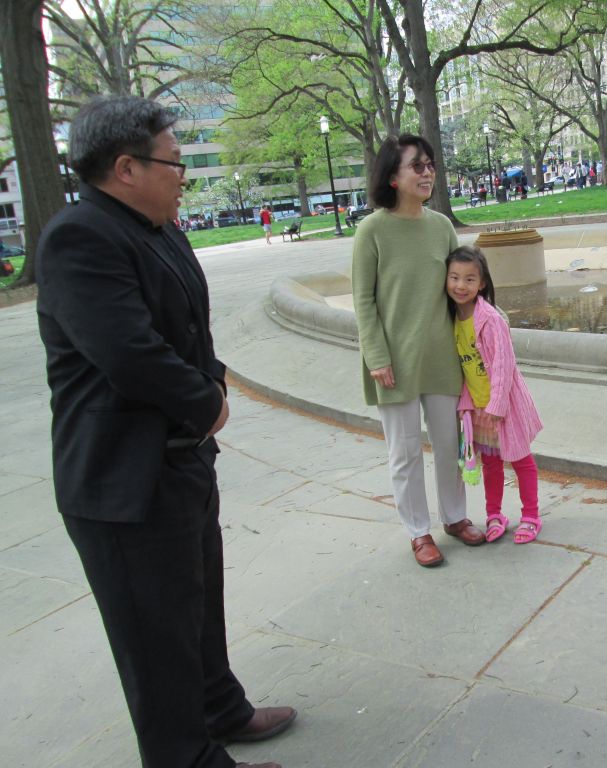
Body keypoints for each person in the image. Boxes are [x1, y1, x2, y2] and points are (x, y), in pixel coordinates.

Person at [35, 95, 295, 768]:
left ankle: (221, 708)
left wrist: (211, 380)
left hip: (180, 463)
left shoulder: (161, 228)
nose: (184, 174)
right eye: (174, 161)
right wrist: (204, 402)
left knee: (197, 606)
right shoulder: (79, 237)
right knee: (156, 638)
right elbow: (128, 353)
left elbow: (192, 326)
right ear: (126, 168)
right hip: (121, 482)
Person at [351, 134, 485, 567]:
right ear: (393, 176)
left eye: (430, 165)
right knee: (404, 452)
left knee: (450, 445)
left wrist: (479, 339)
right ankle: (417, 532)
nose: (427, 173)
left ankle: (455, 517)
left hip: (443, 357)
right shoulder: (371, 230)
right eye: (417, 166)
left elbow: (462, 288)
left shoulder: (441, 226)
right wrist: (377, 356)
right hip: (394, 362)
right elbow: (363, 300)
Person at [445, 246, 544, 544]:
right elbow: (464, 368)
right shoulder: (451, 318)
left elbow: (504, 364)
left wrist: (496, 406)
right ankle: (494, 514)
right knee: (491, 464)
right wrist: (469, 407)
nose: (461, 286)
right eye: (454, 277)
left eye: (469, 279)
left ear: (482, 283)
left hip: (504, 407)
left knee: (521, 460)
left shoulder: (490, 318)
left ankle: (531, 515)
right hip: (477, 408)